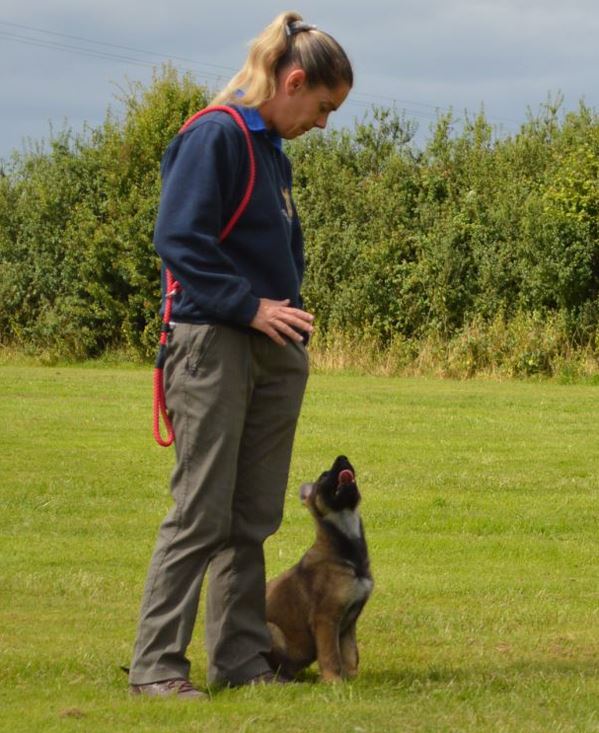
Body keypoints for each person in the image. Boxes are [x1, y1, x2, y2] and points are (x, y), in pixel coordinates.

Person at [128, 11, 353, 699]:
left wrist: (284, 319)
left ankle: (240, 660)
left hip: (271, 350)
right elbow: (179, 238)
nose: (322, 123)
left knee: (252, 515)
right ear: (291, 81)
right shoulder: (216, 135)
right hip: (214, 342)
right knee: (200, 511)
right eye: (321, 107)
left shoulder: (270, 153)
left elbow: (281, 252)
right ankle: (157, 667)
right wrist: (249, 306)